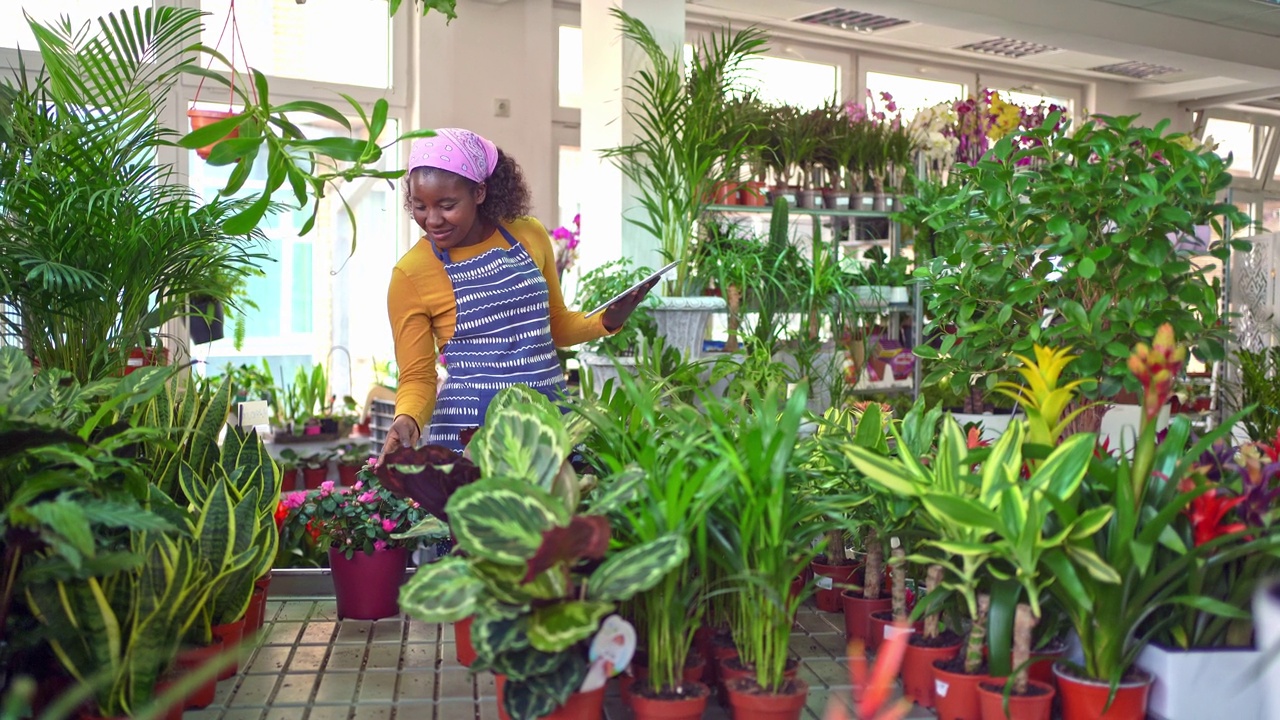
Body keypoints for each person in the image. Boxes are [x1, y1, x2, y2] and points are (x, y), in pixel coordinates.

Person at [379, 129, 652, 458]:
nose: (432, 220)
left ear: (479, 192)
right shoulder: (411, 273)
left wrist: (606, 321)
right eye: (420, 206)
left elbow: (555, 325)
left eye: (447, 205)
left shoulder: (528, 234)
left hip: (548, 419)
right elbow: (418, 376)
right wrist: (406, 418)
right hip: (469, 436)